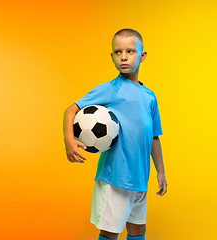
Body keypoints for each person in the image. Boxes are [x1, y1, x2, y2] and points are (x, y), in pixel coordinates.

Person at [63, 28, 167, 240]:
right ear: (112, 57)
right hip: (115, 178)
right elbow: (70, 110)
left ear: (142, 55)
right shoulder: (112, 89)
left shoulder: (149, 96)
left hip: (139, 178)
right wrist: (69, 140)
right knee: (110, 232)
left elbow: (154, 137)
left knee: (138, 231)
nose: (124, 57)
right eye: (118, 52)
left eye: (130, 51)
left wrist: (161, 172)